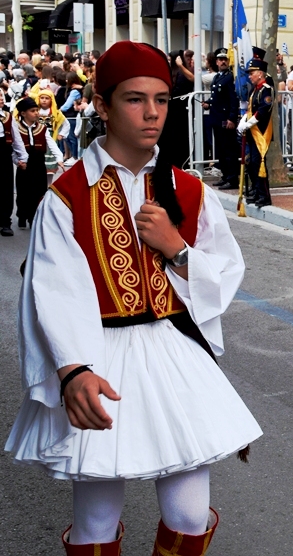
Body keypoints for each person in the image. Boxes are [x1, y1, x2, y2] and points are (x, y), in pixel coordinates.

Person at [4, 40, 261, 554]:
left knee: (189, 515)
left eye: (163, 99)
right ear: (101, 105)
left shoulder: (189, 190)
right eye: (134, 99)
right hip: (99, 355)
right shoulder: (67, 194)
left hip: (173, 353)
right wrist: (72, 370)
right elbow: (53, 290)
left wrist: (177, 249)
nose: (152, 114)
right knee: (96, 521)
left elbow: (224, 275)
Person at [12, 97, 64, 229]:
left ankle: (33, 217)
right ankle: (22, 216)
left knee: (39, 190)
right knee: (23, 192)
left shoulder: (42, 128)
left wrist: (59, 158)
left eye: (37, 110)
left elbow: (51, 144)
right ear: (23, 113)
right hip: (24, 165)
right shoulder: (16, 128)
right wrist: (18, 161)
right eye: (33, 111)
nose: (36, 113)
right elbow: (13, 148)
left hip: (39, 163)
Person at [237, 57, 275, 207]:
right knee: (252, 164)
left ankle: (264, 196)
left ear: (260, 73)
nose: (249, 75)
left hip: (261, 133)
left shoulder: (266, 89)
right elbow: (250, 109)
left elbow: (263, 111)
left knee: (259, 164)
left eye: (252, 73)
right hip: (253, 133)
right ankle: (256, 191)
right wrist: (243, 121)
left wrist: (248, 124)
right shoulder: (256, 90)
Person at [210, 49, 241, 191]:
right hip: (217, 119)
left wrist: (232, 118)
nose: (223, 62)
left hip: (226, 119)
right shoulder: (217, 77)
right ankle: (225, 175)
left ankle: (233, 178)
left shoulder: (229, 78)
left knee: (230, 151)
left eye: (225, 60)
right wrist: (208, 103)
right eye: (220, 60)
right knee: (221, 150)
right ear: (216, 62)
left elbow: (233, 100)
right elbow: (216, 97)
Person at [0, 102, 14, 236]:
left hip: (4, 154)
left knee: (5, 187)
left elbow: (17, 139)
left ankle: (5, 222)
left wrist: (22, 157)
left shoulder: (8, 117)